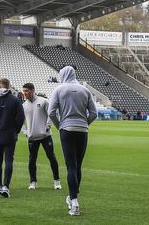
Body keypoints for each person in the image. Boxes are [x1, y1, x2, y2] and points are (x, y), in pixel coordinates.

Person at [48, 66, 97, 216]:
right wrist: (84, 123)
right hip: (82, 131)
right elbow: (94, 113)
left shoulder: (59, 89)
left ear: (63, 75)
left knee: (71, 166)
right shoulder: (85, 90)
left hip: (67, 130)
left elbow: (51, 112)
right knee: (78, 165)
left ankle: (74, 201)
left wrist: (60, 126)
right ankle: (73, 197)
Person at [0, 78, 24, 198]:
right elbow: (21, 117)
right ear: (9, 86)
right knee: (8, 160)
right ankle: (6, 186)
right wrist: (15, 130)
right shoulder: (15, 100)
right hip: (10, 134)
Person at [22, 83, 62, 190]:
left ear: (32, 90)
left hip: (45, 136)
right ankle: (33, 182)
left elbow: (52, 114)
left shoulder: (43, 101)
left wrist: (48, 126)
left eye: (26, 91)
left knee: (51, 157)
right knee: (32, 159)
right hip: (32, 137)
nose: (24, 93)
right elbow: (20, 121)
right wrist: (25, 131)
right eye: (24, 91)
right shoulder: (24, 105)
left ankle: (56, 181)